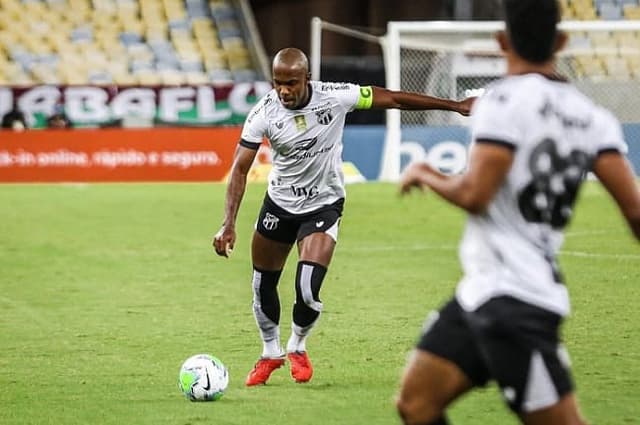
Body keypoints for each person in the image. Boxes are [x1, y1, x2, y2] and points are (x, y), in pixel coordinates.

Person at [396, 0, 640, 424]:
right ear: (561, 42)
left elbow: (476, 193)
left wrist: (426, 173)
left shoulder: (500, 101)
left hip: (516, 303)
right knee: (416, 403)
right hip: (481, 294)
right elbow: (636, 214)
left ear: (502, 41)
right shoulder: (593, 119)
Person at [213, 47, 474, 387]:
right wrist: (228, 223)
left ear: (307, 77)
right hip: (279, 205)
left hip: (323, 205)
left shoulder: (335, 97)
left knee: (307, 290)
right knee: (262, 285)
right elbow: (239, 169)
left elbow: (394, 99)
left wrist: (455, 106)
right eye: (278, 83)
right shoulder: (263, 112)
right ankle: (270, 352)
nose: (284, 90)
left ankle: (297, 346)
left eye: (291, 82)